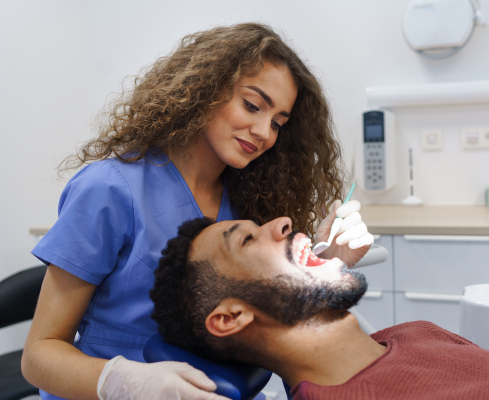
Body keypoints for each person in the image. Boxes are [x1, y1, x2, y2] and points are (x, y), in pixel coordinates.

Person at [22, 23, 374, 400]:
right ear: (205, 90)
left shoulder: (254, 200)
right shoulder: (109, 189)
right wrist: (125, 382)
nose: (263, 133)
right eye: (253, 106)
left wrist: (322, 265)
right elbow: (38, 356)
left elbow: (267, 323)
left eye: (277, 124)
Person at [151, 216, 489, 400]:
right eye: (247, 240)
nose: (283, 223)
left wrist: (322, 265)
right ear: (231, 317)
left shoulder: (418, 331)